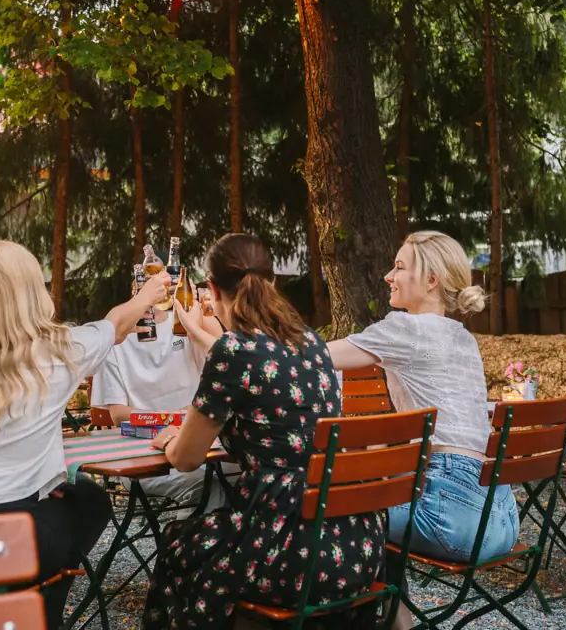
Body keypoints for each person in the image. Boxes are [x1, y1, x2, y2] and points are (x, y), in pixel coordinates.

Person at [0, 239, 170, 629]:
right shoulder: (58, 352)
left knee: (78, 495)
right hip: (12, 536)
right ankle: (42, 613)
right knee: (89, 501)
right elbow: (116, 326)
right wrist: (149, 295)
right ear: (31, 290)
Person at [143, 234, 384, 630]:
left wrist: (171, 439)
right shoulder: (312, 342)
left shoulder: (234, 350)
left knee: (178, 544)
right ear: (272, 282)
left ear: (213, 290)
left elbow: (186, 459)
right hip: (353, 542)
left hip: (284, 548)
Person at [327, 230, 518, 569]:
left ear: (431, 279)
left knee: (326, 509)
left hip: (452, 516)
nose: (389, 276)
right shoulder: (462, 338)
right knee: (362, 504)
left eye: (399, 267)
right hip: (502, 517)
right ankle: (394, 617)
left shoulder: (407, 328)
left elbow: (314, 356)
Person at [92, 289, 228, 511]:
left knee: (243, 476)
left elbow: (223, 365)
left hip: (199, 446)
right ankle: (184, 542)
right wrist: (176, 417)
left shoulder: (186, 326)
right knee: (208, 487)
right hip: (143, 454)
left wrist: (202, 318)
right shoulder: (116, 340)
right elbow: (118, 415)